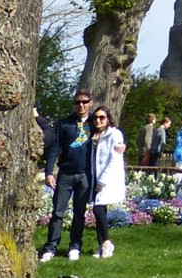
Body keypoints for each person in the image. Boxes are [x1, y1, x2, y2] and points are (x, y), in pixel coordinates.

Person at [39, 91, 96, 262]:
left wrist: (121, 145)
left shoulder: (96, 123)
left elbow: (112, 137)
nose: (81, 105)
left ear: (90, 103)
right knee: (57, 212)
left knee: (79, 213)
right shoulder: (64, 123)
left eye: (84, 102)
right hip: (65, 174)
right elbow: (54, 149)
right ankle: (51, 247)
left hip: (85, 175)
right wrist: (49, 172)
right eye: (78, 102)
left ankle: (75, 246)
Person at [89, 106, 126, 259]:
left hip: (107, 178)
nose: (98, 120)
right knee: (99, 210)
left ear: (108, 118)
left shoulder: (114, 134)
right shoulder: (94, 135)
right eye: (96, 118)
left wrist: (102, 181)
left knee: (98, 209)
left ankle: (106, 242)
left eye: (102, 117)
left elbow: (114, 158)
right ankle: (102, 244)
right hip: (95, 176)